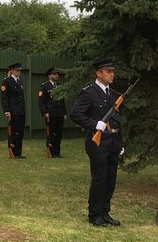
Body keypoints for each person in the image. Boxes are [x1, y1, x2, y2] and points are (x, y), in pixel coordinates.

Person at [70, 57, 124, 228]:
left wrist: (120, 142)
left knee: (110, 179)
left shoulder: (112, 93)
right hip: (98, 144)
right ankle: (94, 215)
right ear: (98, 73)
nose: (112, 74)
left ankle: (105, 212)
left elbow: (116, 120)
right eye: (108, 71)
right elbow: (76, 114)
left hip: (113, 142)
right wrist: (95, 124)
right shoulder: (89, 92)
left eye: (113, 71)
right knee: (100, 179)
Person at [38, 67, 66, 157]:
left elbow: (62, 100)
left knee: (59, 133)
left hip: (59, 113)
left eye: (57, 74)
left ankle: (57, 152)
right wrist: (44, 112)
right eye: (54, 74)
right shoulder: (45, 86)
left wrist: (64, 112)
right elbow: (41, 101)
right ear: (49, 76)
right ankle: (50, 151)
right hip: (50, 113)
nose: (56, 76)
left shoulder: (59, 86)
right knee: (51, 133)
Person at [1, 62, 26, 158]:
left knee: (20, 132)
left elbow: (21, 97)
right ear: (11, 71)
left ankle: (18, 153)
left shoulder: (20, 81)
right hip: (13, 110)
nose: (19, 72)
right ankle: (12, 151)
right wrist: (6, 111)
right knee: (14, 132)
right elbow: (4, 98)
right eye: (17, 70)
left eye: (20, 70)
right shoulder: (7, 81)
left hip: (21, 110)